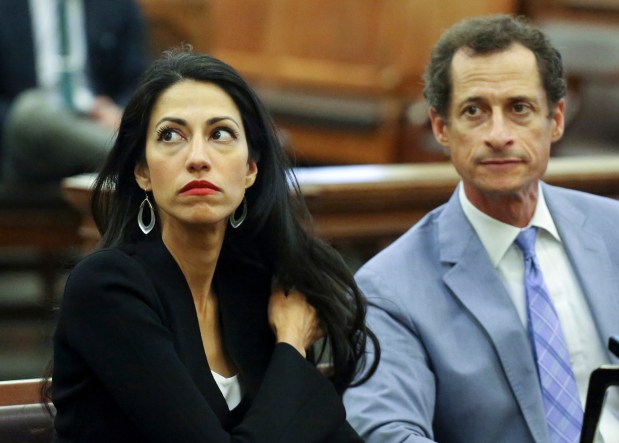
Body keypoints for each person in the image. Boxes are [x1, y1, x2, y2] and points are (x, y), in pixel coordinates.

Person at [342, 14, 619, 443]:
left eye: (519, 109)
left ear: (555, 120)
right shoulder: (391, 288)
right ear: (442, 128)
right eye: (474, 111)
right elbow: (387, 433)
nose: (499, 135)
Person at [49, 48, 379, 442]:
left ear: (251, 169)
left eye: (220, 134)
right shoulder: (106, 287)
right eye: (171, 135)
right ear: (142, 172)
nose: (198, 158)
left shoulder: (255, 287)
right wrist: (291, 342)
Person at [0, 0, 148, 181]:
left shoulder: (116, 5)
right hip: (27, 144)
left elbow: (137, 81)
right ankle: (139, 162)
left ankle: (129, 159)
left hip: (98, 125)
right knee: (29, 110)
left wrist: (119, 113)